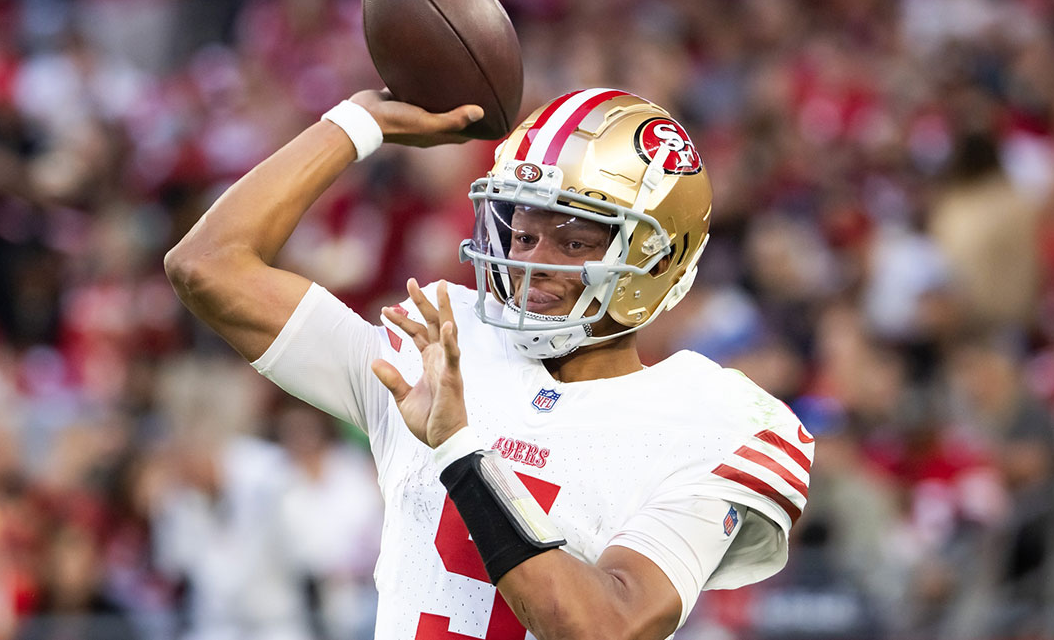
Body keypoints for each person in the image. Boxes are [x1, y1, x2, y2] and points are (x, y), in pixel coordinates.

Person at [164, 87, 814, 640]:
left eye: (575, 240)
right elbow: (207, 265)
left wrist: (457, 449)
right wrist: (362, 122)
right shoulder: (444, 343)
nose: (534, 262)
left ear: (658, 258)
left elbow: (603, 625)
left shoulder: (710, 419)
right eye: (523, 233)